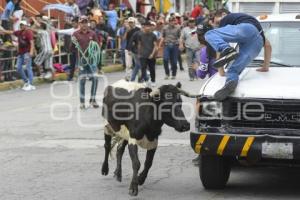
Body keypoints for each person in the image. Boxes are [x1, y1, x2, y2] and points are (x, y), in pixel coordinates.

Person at [205, 10, 272, 101]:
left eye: (217, 22)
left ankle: (228, 50)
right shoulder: (256, 27)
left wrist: (221, 70)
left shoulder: (226, 18)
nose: (218, 25)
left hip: (245, 29)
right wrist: (265, 67)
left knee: (210, 34)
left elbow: (220, 45)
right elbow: (268, 45)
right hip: (258, 42)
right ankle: (230, 84)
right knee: (233, 70)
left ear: (224, 14)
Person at [72, 16, 100, 109]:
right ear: (79, 24)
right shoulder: (75, 34)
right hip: (81, 61)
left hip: (92, 61)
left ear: (88, 23)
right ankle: (82, 102)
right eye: (82, 22)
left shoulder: (92, 33)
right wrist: (74, 44)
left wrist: (95, 58)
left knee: (95, 80)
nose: (84, 24)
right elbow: (71, 49)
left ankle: (93, 100)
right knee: (82, 81)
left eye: (85, 22)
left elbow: (97, 47)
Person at [0, 20, 35, 91]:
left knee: (28, 68)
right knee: (18, 68)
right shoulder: (19, 32)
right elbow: (10, 32)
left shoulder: (29, 32)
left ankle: (30, 84)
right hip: (21, 53)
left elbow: (32, 43)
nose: (22, 26)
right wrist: (2, 30)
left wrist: (31, 52)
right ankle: (26, 81)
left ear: (26, 25)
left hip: (27, 53)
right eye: (21, 25)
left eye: (23, 25)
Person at [136, 21, 158, 87]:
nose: (148, 28)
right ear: (144, 27)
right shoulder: (140, 35)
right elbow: (139, 44)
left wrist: (152, 54)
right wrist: (138, 53)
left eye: (149, 26)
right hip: (143, 54)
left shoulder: (153, 35)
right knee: (143, 68)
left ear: (151, 27)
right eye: (146, 26)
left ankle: (153, 81)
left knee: (152, 69)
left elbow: (155, 46)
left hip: (151, 55)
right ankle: (145, 80)